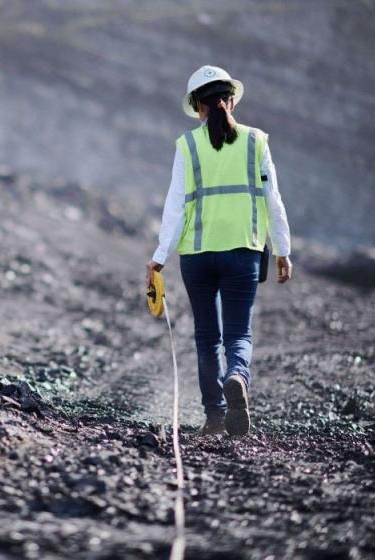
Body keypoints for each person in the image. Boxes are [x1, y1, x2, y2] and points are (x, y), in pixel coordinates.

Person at [146, 65, 293, 437]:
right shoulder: (256, 141)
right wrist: (282, 250)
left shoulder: (187, 145)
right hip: (243, 251)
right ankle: (237, 376)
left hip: (196, 256)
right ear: (230, 101)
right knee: (238, 334)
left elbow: (175, 205)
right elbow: (272, 200)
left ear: (199, 108)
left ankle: (214, 416)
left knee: (207, 337)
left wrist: (160, 255)